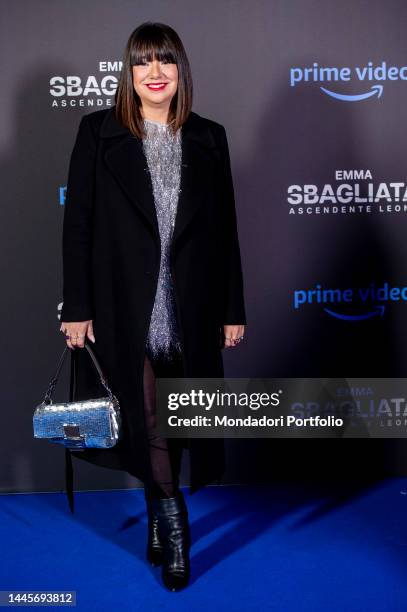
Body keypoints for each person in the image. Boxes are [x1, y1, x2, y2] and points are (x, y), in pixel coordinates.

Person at [59, 21, 246, 592]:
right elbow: (79, 226)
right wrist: (78, 307)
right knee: (142, 415)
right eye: (144, 62)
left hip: (189, 303)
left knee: (173, 420)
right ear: (130, 73)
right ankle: (175, 525)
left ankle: (159, 513)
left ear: (180, 70)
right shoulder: (98, 132)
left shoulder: (210, 136)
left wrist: (232, 308)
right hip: (123, 304)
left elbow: (225, 233)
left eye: (166, 61)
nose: (156, 72)